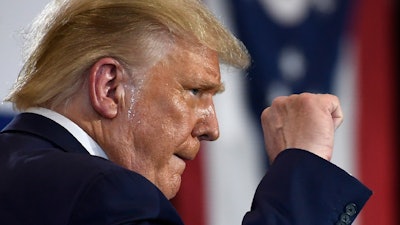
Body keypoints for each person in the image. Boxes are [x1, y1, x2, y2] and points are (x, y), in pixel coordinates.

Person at [0, 0, 371, 224]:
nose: (212, 127)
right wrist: (302, 166)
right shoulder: (107, 196)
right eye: (194, 91)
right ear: (109, 86)